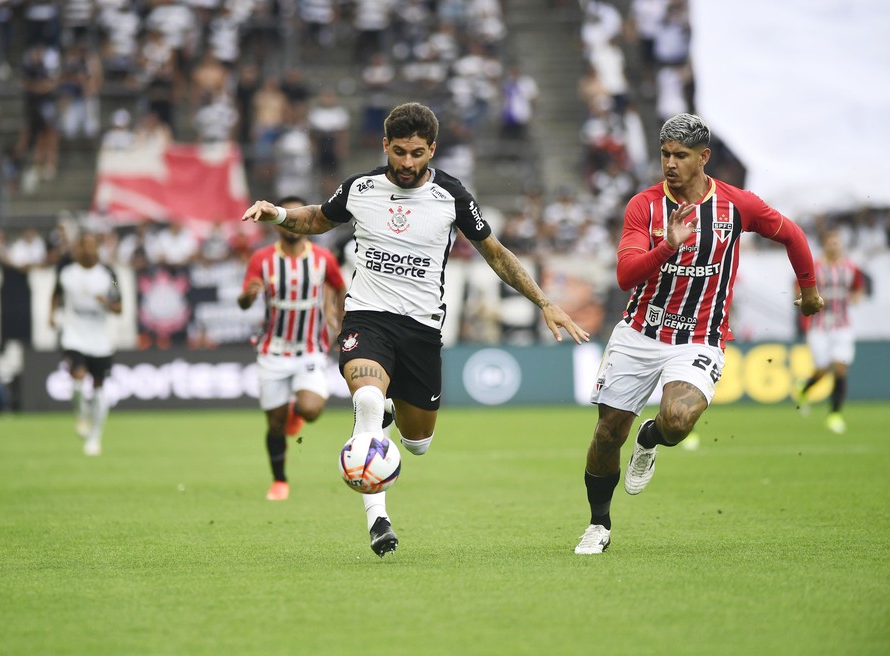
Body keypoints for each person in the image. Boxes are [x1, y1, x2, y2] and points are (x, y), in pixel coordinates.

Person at [243, 102, 590, 556]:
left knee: (418, 443)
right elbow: (317, 219)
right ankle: (378, 520)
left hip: (421, 330)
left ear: (432, 150)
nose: (407, 162)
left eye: (418, 153)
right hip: (367, 318)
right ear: (385, 145)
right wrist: (277, 215)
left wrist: (544, 301)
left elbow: (496, 254)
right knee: (367, 401)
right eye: (400, 152)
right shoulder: (361, 188)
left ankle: (390, 418)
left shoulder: (452, 196)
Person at [574, 113, 824, 555]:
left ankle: (650, 439)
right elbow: (626, 276)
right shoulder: (644, 206)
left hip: (699, 336)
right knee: (608, 433)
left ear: (704, 157)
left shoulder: (736, 205)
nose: (670, 164)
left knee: (677, 421)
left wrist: (808, 292)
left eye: (681, 155)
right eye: (665, 154)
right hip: (640, 333)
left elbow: (792, 235)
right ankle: (599, 524)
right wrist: (668, 245)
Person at [238, 196, 347, 502]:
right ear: (276, 224)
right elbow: (243, 301)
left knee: (311, 409)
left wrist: (341, 320)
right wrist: (248, 296)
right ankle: (279, 481)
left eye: (296, 215)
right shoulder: (262, 259)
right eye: (286, 217)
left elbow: (340, 286)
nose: (291, 223)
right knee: (274, 425)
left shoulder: (323, 258)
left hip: (310, 349)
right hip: (272, 351)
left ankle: (296, 412)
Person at [49, 233, 122, 456]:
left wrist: (106, 302)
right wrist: (51, 315)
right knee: (78, 379)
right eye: (83, 246)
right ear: (77, 250)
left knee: (99, 390)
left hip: (100, 340)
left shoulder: (109, 274)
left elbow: (119, 305)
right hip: (74, 336)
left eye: (92, 246)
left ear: (97, 249)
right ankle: (81, 414)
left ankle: (94, 437)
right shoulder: (66, 273)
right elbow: (55, 294)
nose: (88, 250)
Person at [796, 229, 864, 434]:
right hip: (819, 327)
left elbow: (858, 289)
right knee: (822, 370)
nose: (834, 246)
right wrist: (807, 300)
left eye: (837, 242)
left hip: (843, 326)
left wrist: (855, 298)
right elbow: (799, 289)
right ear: (824, 245)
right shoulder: (814, 267)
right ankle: (804, 389)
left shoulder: (851, 268)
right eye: (831, 242)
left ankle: (834, 415)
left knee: (840, 368)